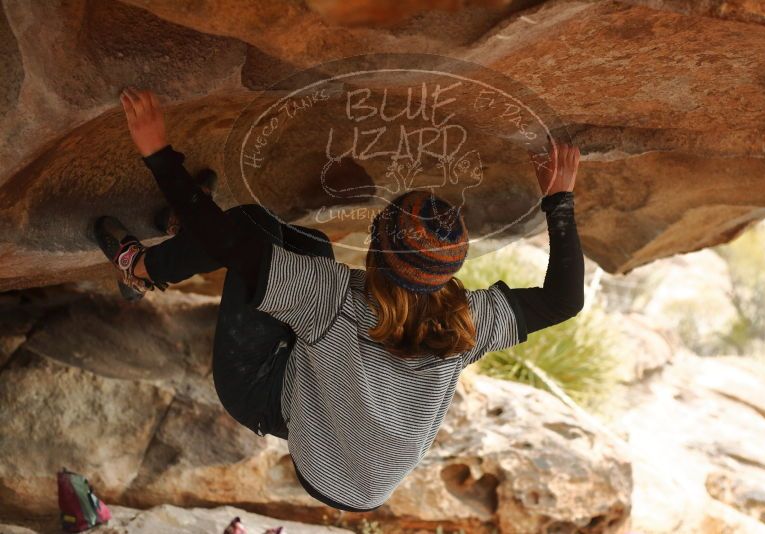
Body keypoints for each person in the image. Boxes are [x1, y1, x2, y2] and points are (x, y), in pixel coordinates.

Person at [97, 86, 584, 512]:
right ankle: (185, 236)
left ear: (376, 247)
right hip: (356, 460)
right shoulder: (464, 324)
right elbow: (563, 301)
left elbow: (231, 240)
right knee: (308, 247)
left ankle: (138, 270)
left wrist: (158, 152)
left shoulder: (332, 302)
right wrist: (558, 202)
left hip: (268, 399)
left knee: (252, 227)